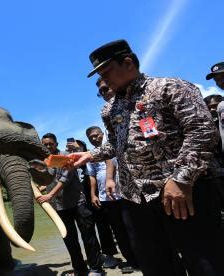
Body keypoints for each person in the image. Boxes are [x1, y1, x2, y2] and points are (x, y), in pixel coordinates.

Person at [70, 39, 224, 276]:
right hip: (136, 199)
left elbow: (202, 131)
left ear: (128, 62)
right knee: (156, 265)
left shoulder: (170, 87)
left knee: (204, 261)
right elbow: (116, 144)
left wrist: (181, 179)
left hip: (182, 191)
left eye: (106, 71)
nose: (104, 79)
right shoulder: (110, 109)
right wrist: (91, 154)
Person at [37, 133, 103, 276]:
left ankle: (96, 269)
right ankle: (80, 270)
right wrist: (42, 187)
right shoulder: (44, 161)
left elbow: (65, 178)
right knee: (69, 240)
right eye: (45, 144)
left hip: (78, 202)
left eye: (51, 143)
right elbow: (48, 179)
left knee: (88, 236)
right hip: (59, 206)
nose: (48, 146)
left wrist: (50, 194)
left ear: (56, 143)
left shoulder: (67, 156)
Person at [86, 126, 138, 273]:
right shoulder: (91, 156)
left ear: (103, 134)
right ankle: (130, 260)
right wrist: (93, 195)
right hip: (106, 198)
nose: (94, 138)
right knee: (119, 232)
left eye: (96, 135)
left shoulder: (115, 146)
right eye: (91, 137)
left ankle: (142, 257)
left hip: (124, 194)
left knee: (133, 227)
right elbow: (92, 176)